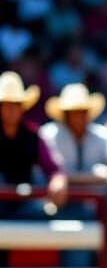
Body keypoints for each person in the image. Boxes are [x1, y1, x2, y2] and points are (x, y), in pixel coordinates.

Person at [0, 72, 67, 208]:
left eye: (16, 104)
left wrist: (58, 181)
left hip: (27, 204)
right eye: (6, 104)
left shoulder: (33, 135)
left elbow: (53, 169)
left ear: (22, 108)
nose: (11, 109)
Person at [39, 82, 107, 180]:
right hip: (62, 194)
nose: (79, 116)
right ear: (65, 114)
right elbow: (48, 172)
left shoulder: (102, 135)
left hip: (94, 193)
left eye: (82, 111)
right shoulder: (49, 135)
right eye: (74, 112)